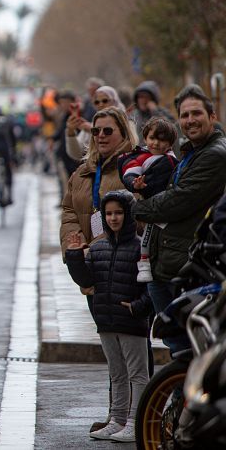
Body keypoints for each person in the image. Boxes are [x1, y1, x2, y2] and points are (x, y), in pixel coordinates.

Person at [132, 85, 226, 354]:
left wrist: (135, 208)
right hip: (170, 263)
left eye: (197, 113)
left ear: (212, 115)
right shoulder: (191, 152)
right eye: (184, 115)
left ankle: (185, 395)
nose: (190, 120)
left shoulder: (215, 155)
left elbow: (177, 201)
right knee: (179, 349)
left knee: (187, 350)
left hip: (186, 266)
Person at [64, 190, 150, 443]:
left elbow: (150, 285)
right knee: (117, 373)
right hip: (106, 321)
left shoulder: (140, 246)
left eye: (119, 213)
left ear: (129, 215)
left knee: (138, 374)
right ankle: (117, 420)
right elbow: (86, 280)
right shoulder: (98, 247)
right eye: (109, 214)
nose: (114, 218)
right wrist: (74, 256)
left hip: (131, 321)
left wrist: (138, 307)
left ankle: (136, 421)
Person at [58, 106, 137, 260]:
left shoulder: (133, 169)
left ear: (123, 133)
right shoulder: (81, 172)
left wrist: (98, 250)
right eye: (95, 131)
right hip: (84, 262)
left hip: (121, 263)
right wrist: (78, 250)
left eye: (107, 131)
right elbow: (69, 213)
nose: (101, 135)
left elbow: (136, 218)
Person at [117, 117, 178, 283]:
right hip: (149, 207)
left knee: (148, 237)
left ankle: (144, 264)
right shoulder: (142, 156)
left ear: (170, 143)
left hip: (159, 209)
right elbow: (130, 173)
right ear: (145, 138)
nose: (156, 143)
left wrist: (142, 187)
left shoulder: (169, 161)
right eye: (152, 138)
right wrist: (135, 185)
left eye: (162, 140)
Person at [64, 85, 130, 161]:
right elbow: (76, 153)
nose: (101, 104)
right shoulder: (94, 123)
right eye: (96, 102)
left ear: (114, 100)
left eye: (105, 101)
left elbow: (129, 145)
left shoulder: (127, 121)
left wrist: (91, 130)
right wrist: (70, 132)